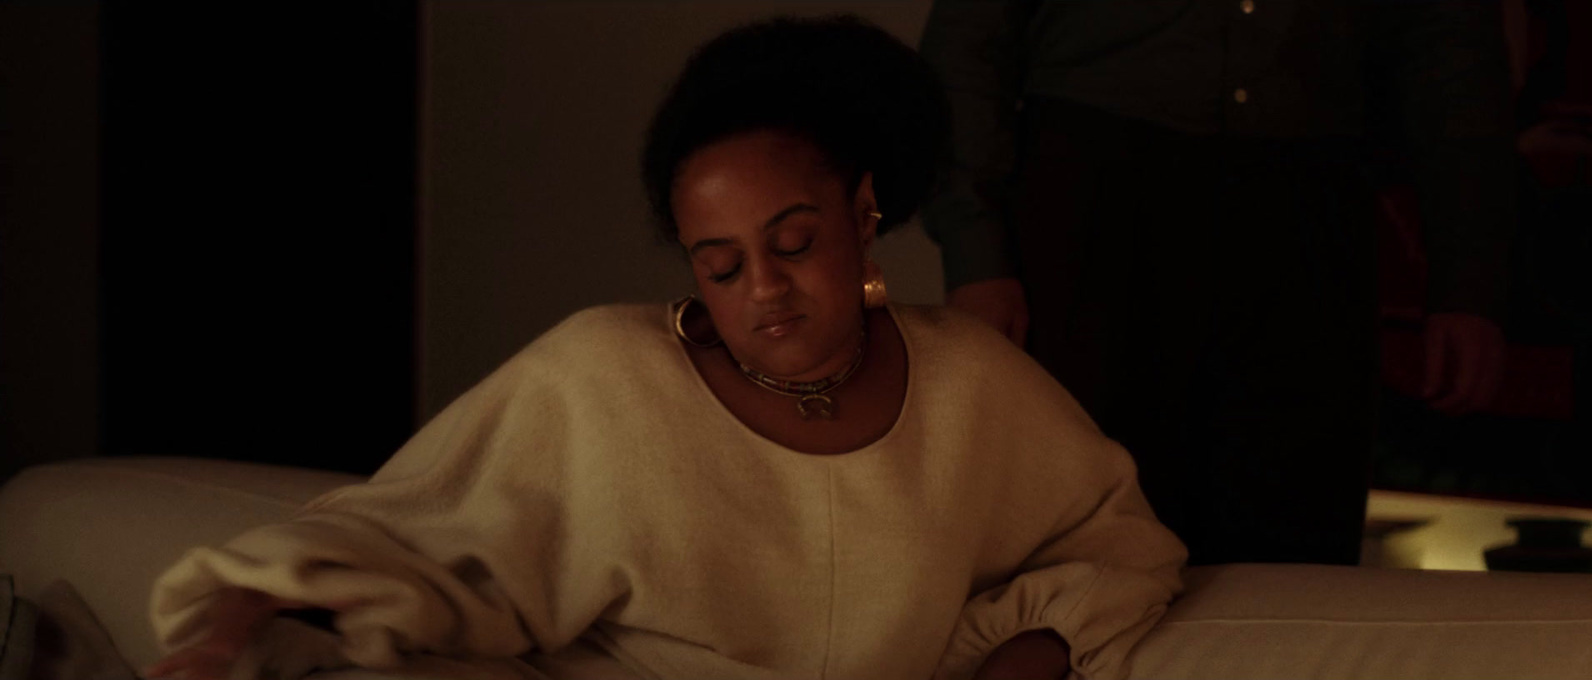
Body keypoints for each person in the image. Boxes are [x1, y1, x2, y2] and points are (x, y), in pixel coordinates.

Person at [144, 16, 1186, 680]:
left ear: (864, 211)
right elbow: (387, 540)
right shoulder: (604, 374)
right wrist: (223, 634)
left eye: (792, 241)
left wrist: (1025, 659)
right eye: (721, 265)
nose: (765, 287)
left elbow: (1118, 548)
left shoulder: (973, 385)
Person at [919, 0, 1516, 565]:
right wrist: (977, 255)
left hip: (1307, 211)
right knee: (1081, 546)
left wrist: (1470, 284)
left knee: (1293, 544)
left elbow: (1452, 53)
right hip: (1093, 203)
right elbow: (971, 38)